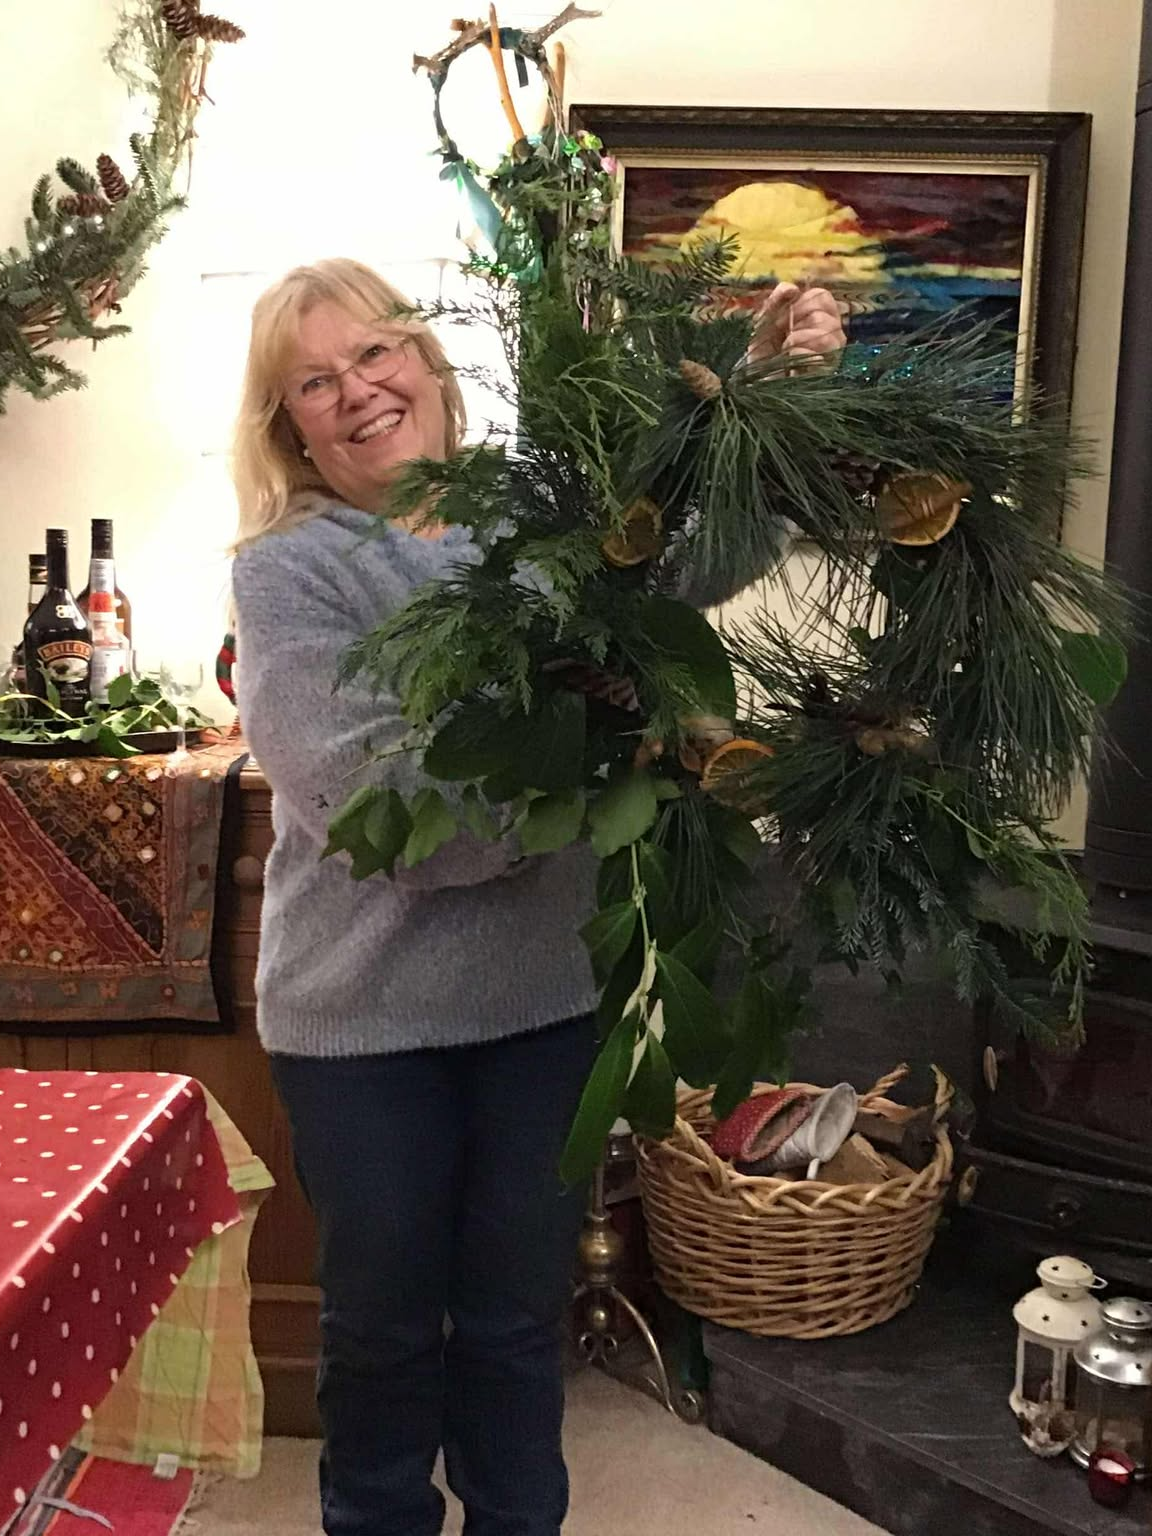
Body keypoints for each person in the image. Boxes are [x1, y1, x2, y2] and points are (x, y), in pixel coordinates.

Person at [229, 257, 844, 1536]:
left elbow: (686, 565)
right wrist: (586, 767)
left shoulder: (536, 512)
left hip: (542, 1009)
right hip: (363, 1026)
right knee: (384, 1330)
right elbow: (361, 798)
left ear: (426, 359)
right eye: (316, 383)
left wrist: (769, 396)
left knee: (517, 1323)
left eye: (375, 353)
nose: (358, 391)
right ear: (290, 427)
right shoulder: (292, 571)